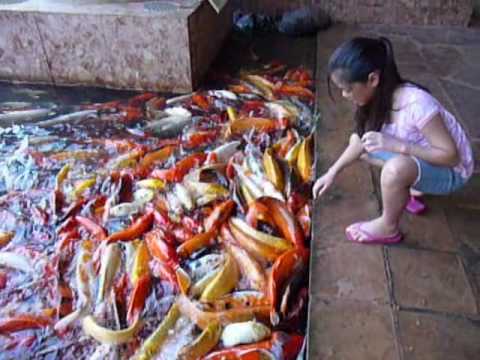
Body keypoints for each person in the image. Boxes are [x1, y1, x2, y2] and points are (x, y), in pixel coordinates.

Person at [312, 37, 474, 244]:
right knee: (364, 146)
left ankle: (388, 227)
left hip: (453, 171)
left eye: (348, 89)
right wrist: (331, 173)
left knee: (395, 170)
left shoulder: (417, 105)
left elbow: (451, 157)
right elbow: (359, 141)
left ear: (373, 79)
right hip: (423, 155)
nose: (344, 95)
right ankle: (412, 185)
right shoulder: (375, 97)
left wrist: (398, 146)